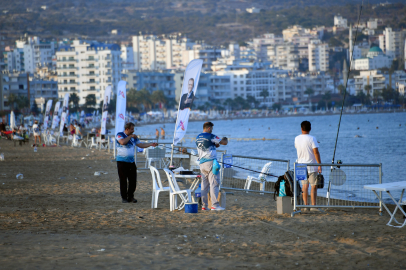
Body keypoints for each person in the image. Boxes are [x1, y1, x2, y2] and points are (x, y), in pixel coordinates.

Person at [116, 122, 158, 203]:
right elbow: (122, 142)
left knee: (133, 181)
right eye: (132, 129)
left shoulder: (134, 138)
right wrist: (130, 136)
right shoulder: (120, 134)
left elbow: (141, 145)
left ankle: (131, 197)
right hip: (121, 162)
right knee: (123, 180)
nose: (133, 131)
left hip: (131, 162)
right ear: (127, 129)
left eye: (133, 129)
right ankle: (124, 198)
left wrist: (151, 144)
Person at [195, 122, 228, 211]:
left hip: (202, 164)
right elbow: (224, 142)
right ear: (209, 128)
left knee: (204, 186)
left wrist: (214, 145)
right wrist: (225, 138)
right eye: (212, 129)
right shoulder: (211, 136)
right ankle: (215, 205)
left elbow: (207, 145)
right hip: (211, 163)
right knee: (214, 184)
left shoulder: (198, 137)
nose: (212, 130)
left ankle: (204, 206)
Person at [294, 121, 322, 211]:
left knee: (304, 186)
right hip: (311, 165)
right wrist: (319, 164)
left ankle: (306, 205)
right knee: (313, 185)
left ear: (301, 128)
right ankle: (314, 205)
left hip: (300, 165)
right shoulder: (312, 138)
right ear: (310, 128)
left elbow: (300, 147)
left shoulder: (296, 138)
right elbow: (316, 152)